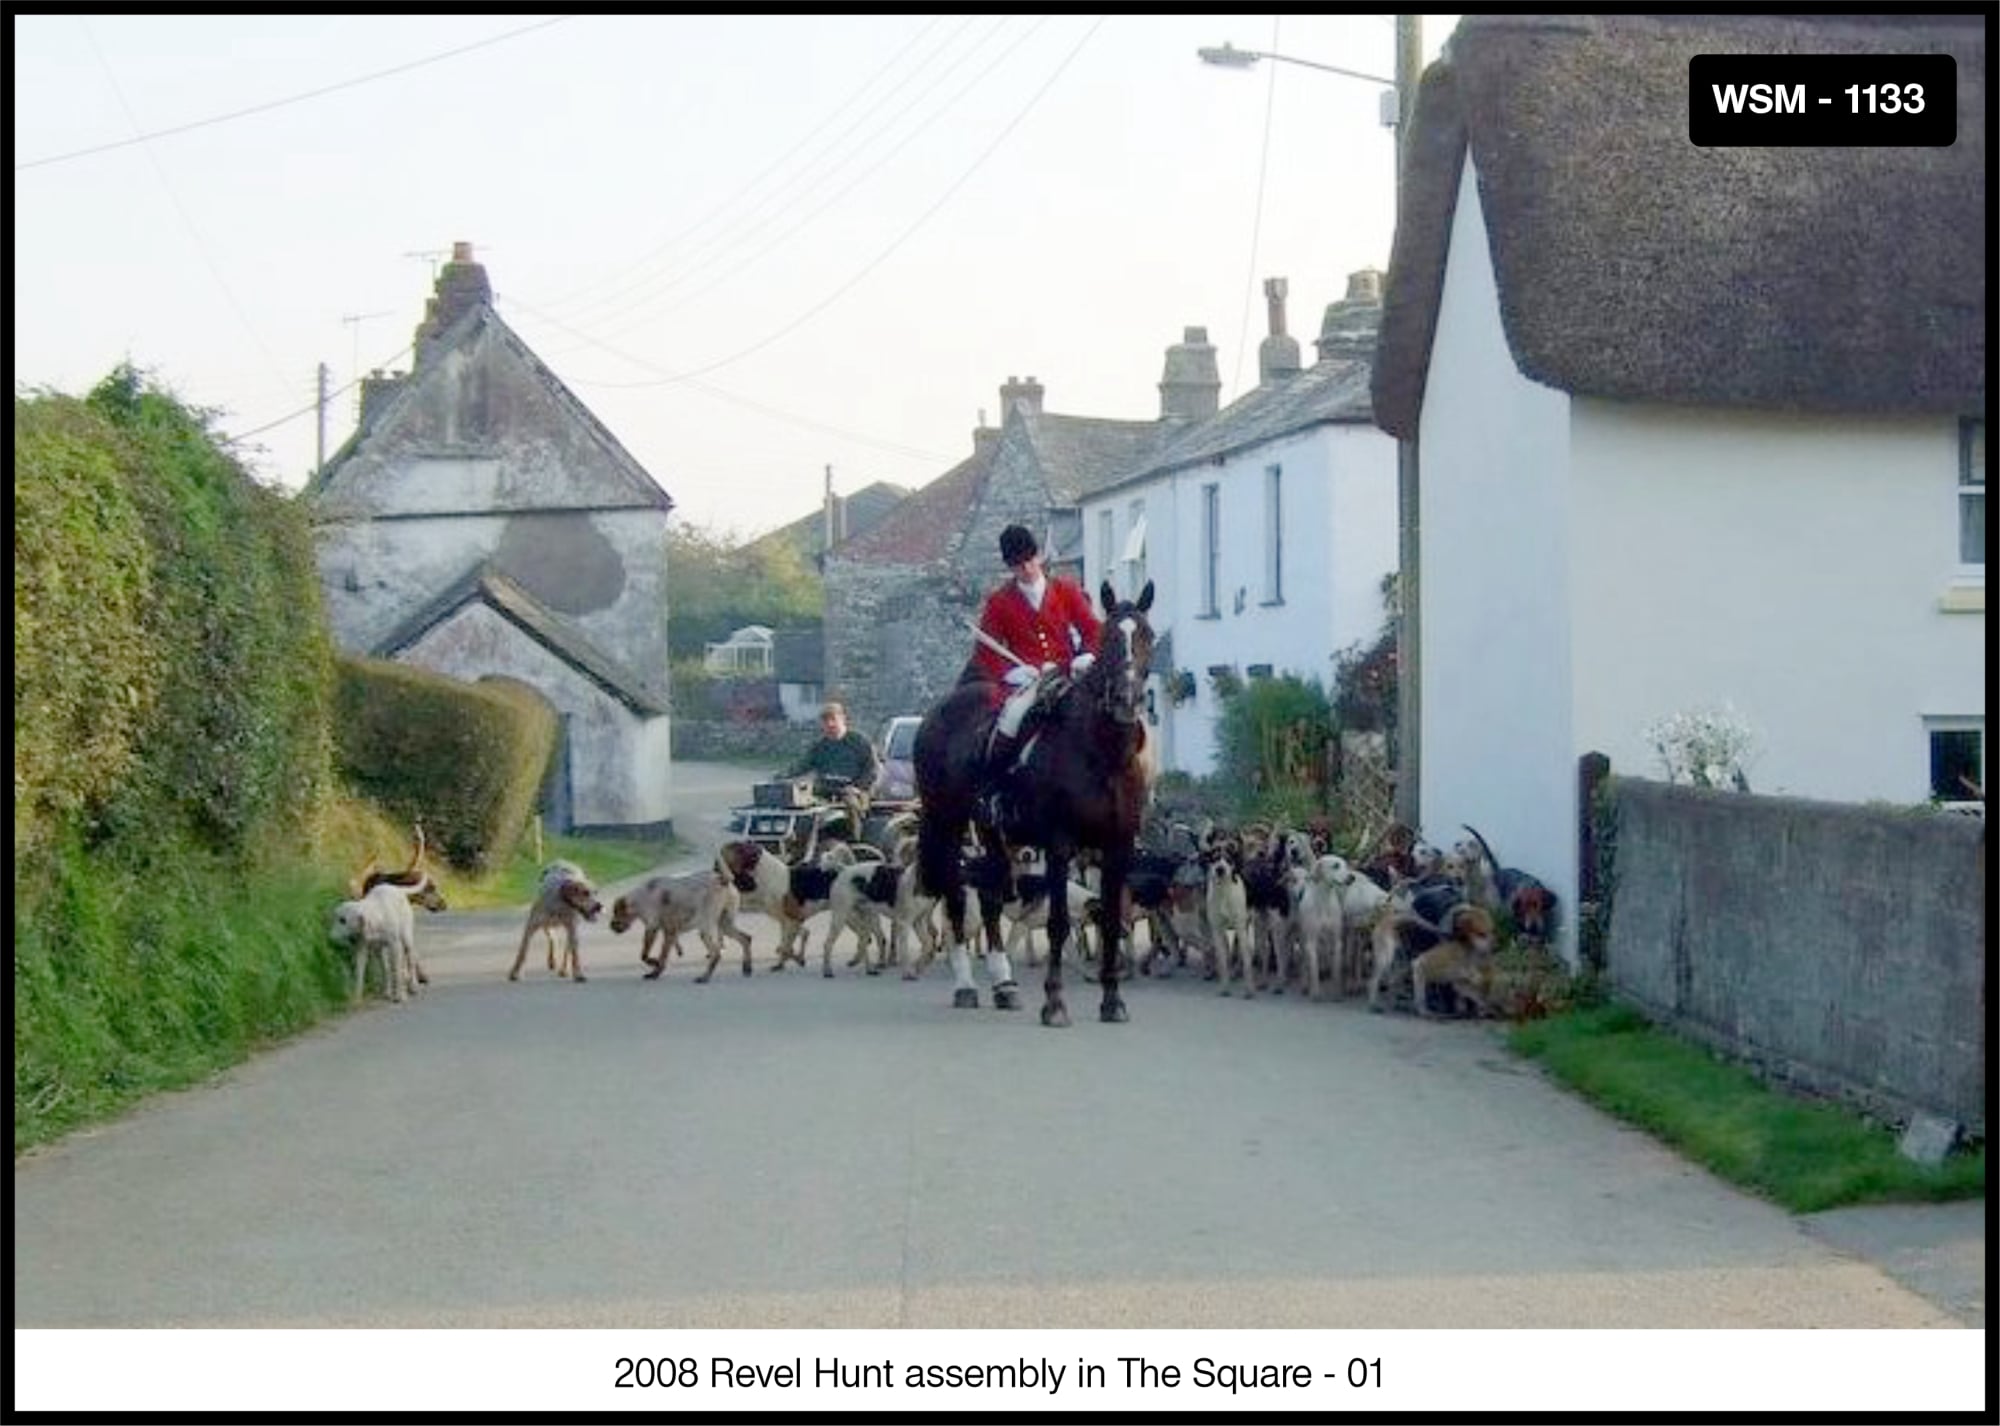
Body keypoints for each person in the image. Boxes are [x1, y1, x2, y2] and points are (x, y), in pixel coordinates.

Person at [973, 524, 1101, 816]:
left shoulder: (1066, 591)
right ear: (1010, 566)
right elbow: (987, 653)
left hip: (1069, 674)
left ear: (1039, 556)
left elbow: (1093, 630)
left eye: (1030, 560)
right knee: (1012, 718)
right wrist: (1014, 673)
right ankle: (996, 789)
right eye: (1018, 564)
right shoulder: (998, 602)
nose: (1027, 568)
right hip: (1027, 680)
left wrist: (1087, 656)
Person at [784, 701, 880, 801]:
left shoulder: (860, 742)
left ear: (843, 719)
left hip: (856, 792)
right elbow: (802, 766)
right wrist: (781, 777)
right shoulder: (820, 747)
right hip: (828, 791)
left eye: (833, 719)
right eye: (826, 721)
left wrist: (859, 787)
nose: (830, 724)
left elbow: (873, 769)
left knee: (851, 802)